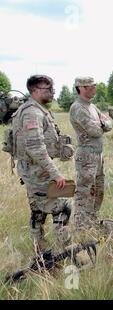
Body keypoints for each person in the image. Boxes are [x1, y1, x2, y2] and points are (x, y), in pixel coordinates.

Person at [11, 75, 73, 252]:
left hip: (33, 170)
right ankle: (64, 250)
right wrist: (56, 174)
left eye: (53, 88)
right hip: (37, 172)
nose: (53, 92)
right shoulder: (32, 112)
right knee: (62, 208)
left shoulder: (37, 109)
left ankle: (39, 251)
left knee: (38, 211)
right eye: (49, 89)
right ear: (35, 90)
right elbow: (35, 148)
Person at [69, 77, 113, 230]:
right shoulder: (78, 107)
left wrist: (102, 123)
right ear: (81, 88)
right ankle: (81, 226)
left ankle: (92, 221)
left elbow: (109, 124)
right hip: (86, 155)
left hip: (97, 155)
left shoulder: (92, 107)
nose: (94, 89)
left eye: (94, 86)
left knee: (98, 189)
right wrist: (101, 124)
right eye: (91, 86)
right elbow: (94, 131)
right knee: (85, 191)